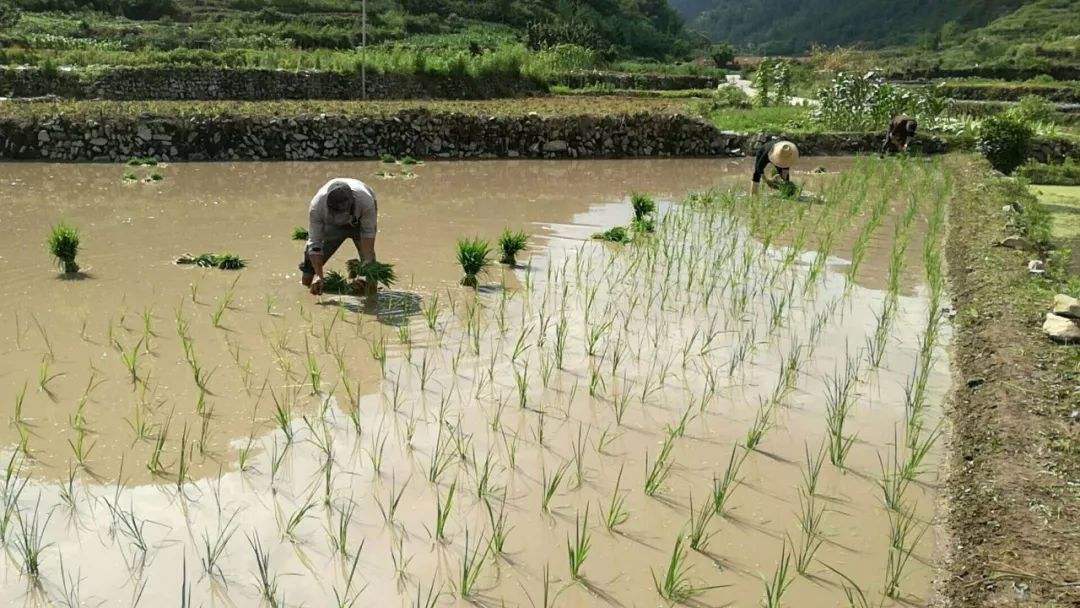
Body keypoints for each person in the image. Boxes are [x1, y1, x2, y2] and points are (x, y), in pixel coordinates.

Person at [299, 178, 378, 295]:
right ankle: (308, 288)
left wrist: (365, 266)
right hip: (332, 226)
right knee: (308, 269)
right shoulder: (317, 207)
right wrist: (320, 276)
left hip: (358, 222)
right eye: (337, 212)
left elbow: (368, 236)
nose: (342, 216)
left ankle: (371, 293)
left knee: (370, 266)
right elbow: (315, 244)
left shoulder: (365, 201)